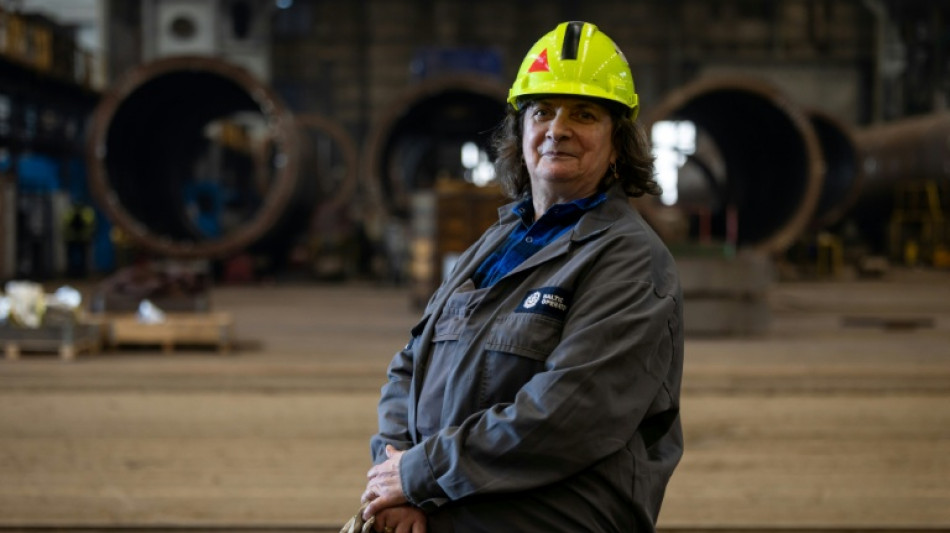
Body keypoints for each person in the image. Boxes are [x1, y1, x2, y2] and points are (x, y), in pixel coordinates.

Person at [360, 21, 684, 533]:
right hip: (444, 492)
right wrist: (393, 478)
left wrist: (420, 476)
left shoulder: (629, 260)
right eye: (542, 111)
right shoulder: (499, 240)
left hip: (556, 510)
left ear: (619, 143)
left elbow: (569, 415)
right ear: (521, 133)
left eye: (584, 114)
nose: (557, 128)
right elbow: (408, 366)